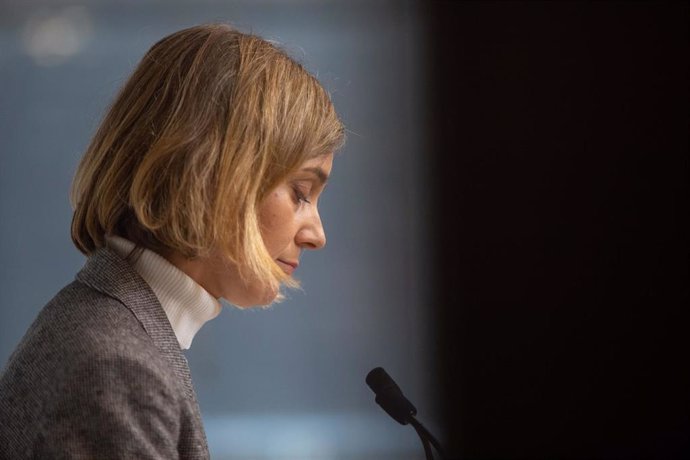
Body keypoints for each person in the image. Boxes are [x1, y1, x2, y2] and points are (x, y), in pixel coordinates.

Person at [0, 23, 344, 459]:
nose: (317, 235)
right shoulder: (118, 367)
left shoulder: (117, 330)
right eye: (300, 192)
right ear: (214, 175)